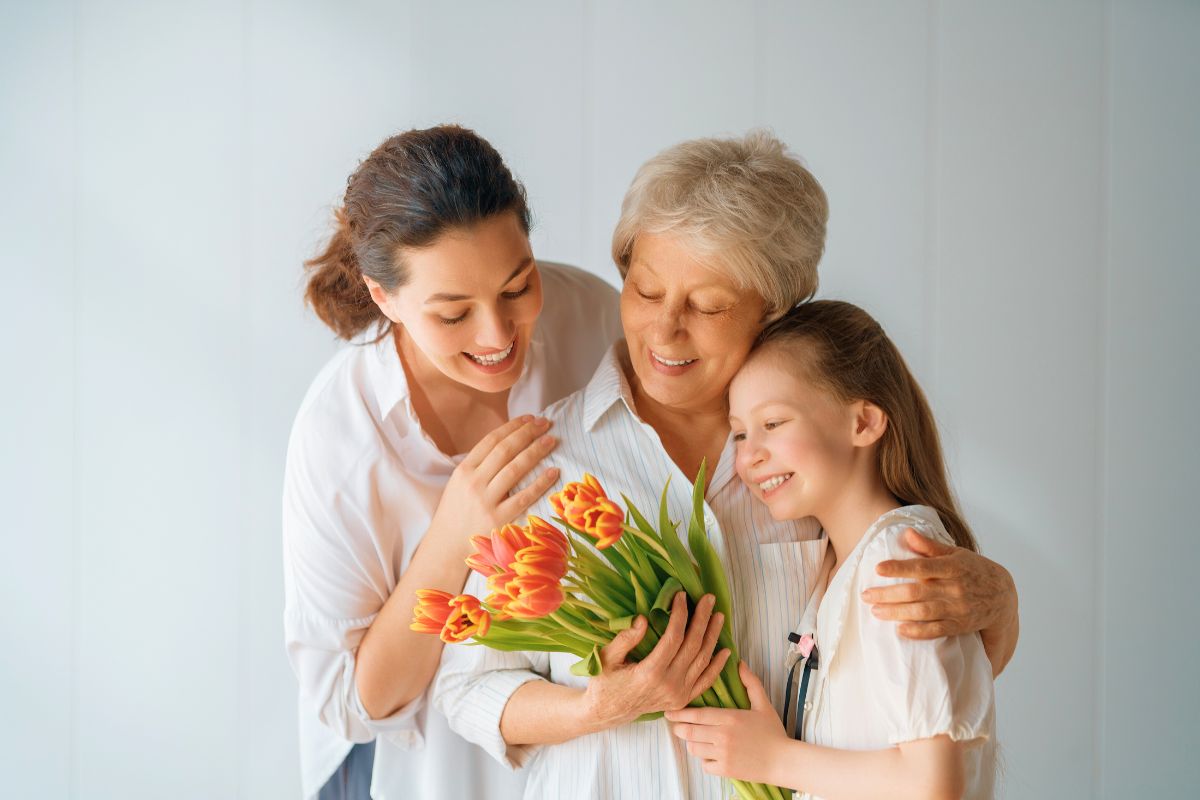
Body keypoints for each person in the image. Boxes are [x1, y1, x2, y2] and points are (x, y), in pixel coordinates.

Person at [434, 130, 1019, 799]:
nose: (664, 330)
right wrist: (594, 707)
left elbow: (920, 693)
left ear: (774, 308)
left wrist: (1000, 603)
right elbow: (467, 688)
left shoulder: (816, 467)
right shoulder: (547, 459)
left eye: (708, 306)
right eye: (645, 291)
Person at [282, 125, 622, 800]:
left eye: (518, 287)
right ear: (386, 299)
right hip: (394, 763)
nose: (497, 335)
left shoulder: (596, 323)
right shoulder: (341, 439)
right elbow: (361, 703)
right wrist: (456, 536)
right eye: (452, 314)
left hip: (560, 743)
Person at [667, 299, 996, 798]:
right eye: (738, 433)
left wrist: (774, 759)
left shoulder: (895, 563)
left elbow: (934, 785)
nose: (749, 455)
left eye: (773, 423)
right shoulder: (840, 564)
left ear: (862, 422)